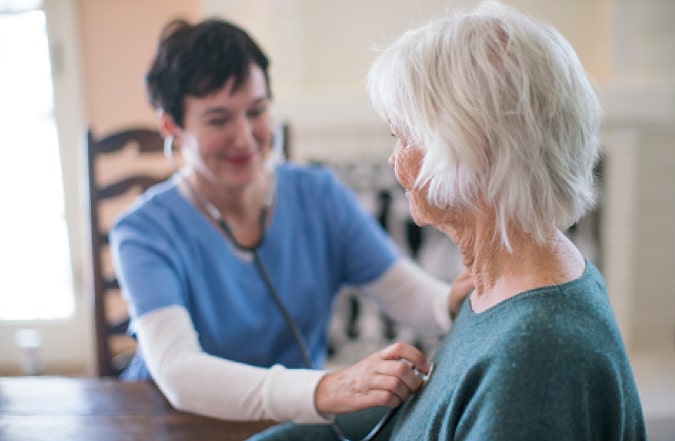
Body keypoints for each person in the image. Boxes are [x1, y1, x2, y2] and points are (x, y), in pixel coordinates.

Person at [249, 1, 647, 439]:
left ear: (471, 152)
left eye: (403, 136)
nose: (393, 159)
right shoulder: (504, 282)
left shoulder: (538, 357)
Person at [109, 17, 473, 424]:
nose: (244, 137)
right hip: (176, 422)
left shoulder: (319, 195)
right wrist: (327, 388)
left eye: (256, 111)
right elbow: (178, 371)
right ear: (171, 126)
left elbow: (403, 292)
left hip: (288, 420)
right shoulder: (141, 232)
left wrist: (450, 302)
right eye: (218, 120)